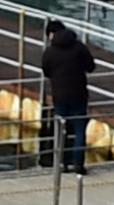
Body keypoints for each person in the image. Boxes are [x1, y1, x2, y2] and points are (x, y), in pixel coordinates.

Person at [39, 19, 95, 174]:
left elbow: (46, 72)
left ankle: (62, 163)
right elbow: (91, 67)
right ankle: (78, 165)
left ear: (51, 34)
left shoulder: (49, 52)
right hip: (79, 94)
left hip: (60, 95)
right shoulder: (79, 47)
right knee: (79, 130)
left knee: (60, 130)